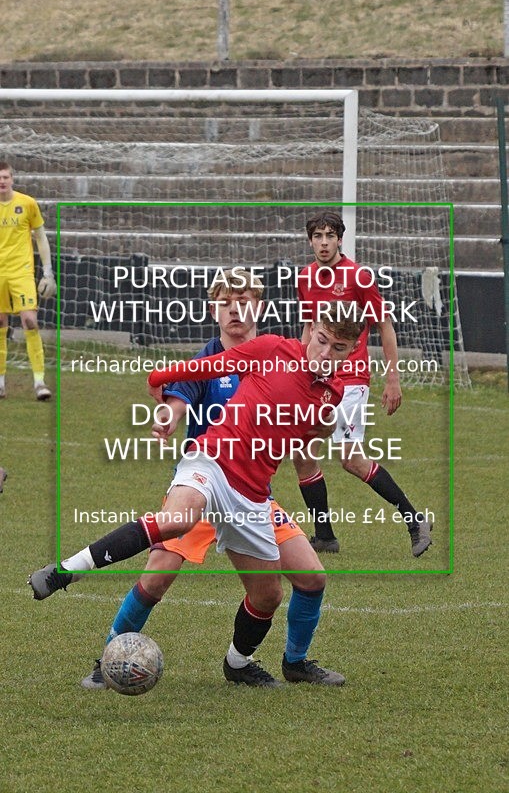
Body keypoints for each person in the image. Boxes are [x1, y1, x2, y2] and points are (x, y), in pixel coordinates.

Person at [29, 303, 364, 686]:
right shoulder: (272, 350)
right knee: (175, 527)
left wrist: (324, 428)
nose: (324, 352)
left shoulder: (332, 392)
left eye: (337, 348)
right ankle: (65, 573)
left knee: (272, 594)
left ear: (351, 350)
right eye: (321, 340)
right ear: (310, 330)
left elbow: (307, 434)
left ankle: (241, 665)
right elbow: (208, 367)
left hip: (252, 496)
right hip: (210, 463)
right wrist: (161, 377)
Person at [294, 210, 432, 557]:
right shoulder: (307, 277)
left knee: (350, 459)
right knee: (302, 449)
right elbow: (310, 329)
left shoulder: (357, 277)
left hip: (351, 377)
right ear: (310, 241)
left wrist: (393, 379)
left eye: (330, 236)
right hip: (320, 375)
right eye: (317, 236)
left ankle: (415, 519)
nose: (324, 242)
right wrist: (299, 367)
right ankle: (324, 535)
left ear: (340, 239)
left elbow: (385, 326)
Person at [0, 161, 56, 401]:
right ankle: (0, 384)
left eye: (5, 177)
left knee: (30, 320)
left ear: (12, 179)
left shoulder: (27, 203)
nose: (2, 182)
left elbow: (41, 239)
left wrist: (48, 273)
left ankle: (39, 382)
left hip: (21, 272)